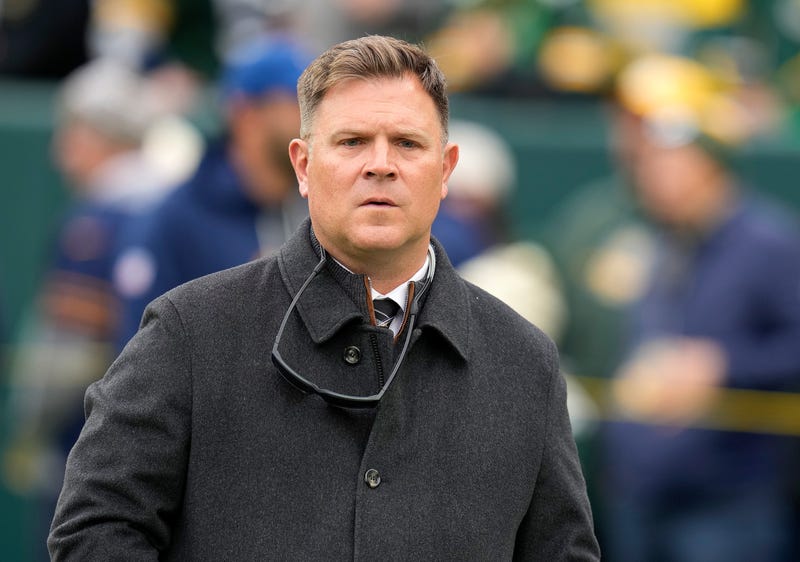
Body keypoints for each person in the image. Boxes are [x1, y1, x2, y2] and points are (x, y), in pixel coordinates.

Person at [48, 35, 600, 560]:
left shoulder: (526, 364)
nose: (380, 164)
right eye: (352, 141)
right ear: (304, 167)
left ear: (446, 170)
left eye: (407, 143)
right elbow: (95, 527)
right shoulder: (189, 332)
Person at [601, 53, 800, 562]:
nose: (651, 175)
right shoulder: (662, 239)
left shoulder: (767, 242)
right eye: (647, 162)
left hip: (728, 505)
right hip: (641, 494)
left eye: (667, 160)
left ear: (708, 163)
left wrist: (722, 365)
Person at [112, 35, 311, 349]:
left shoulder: (317, 208)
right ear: (245, 113)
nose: (312, 118)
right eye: (297, 101)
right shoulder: (175, 219)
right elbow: (140, 358)